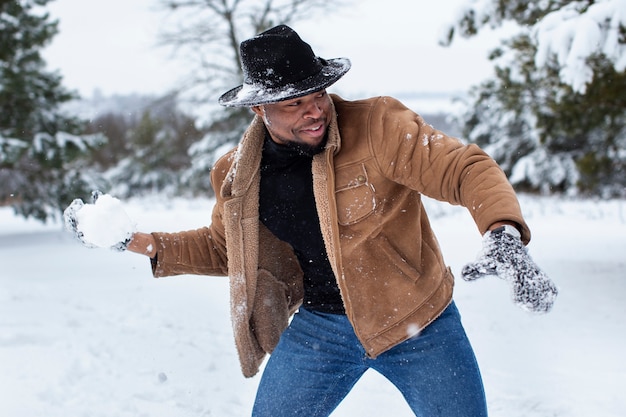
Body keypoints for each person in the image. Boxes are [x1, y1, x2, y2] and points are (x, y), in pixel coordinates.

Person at [64, 25, 558, 417]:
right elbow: (225, 248)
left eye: (317, 94)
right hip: (322, 331)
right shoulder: (239, 175)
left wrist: (503, 232)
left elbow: (463, 167)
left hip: (420, 322)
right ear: (259, 108)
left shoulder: (379, 126)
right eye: (294, 103)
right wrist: (131, 240)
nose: (314, 110)